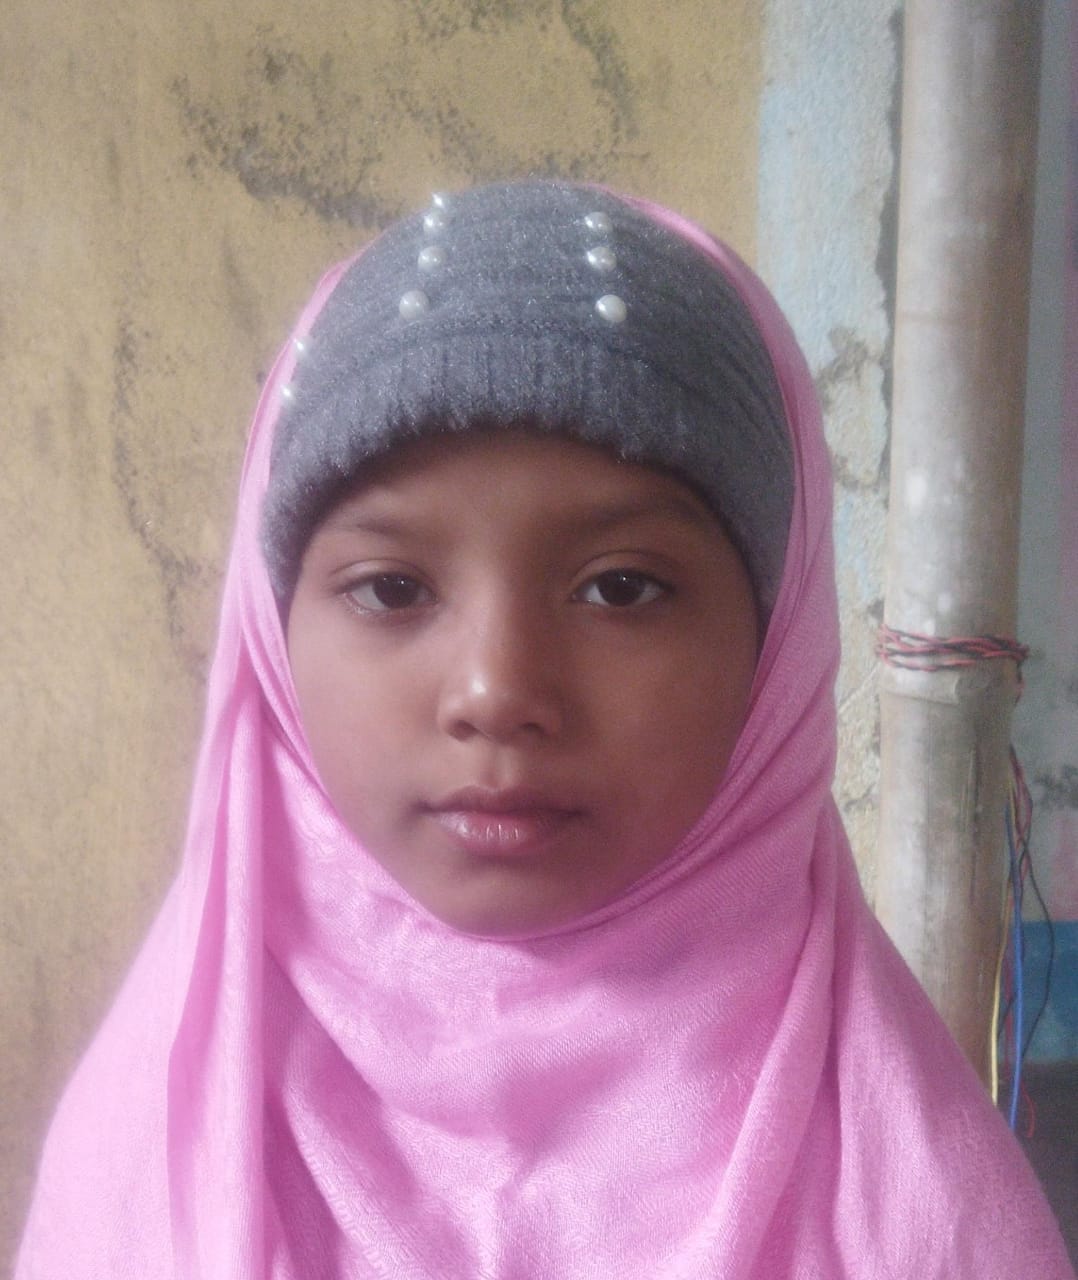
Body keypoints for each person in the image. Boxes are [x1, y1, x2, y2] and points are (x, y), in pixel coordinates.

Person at [16, 181, 1073, 1278]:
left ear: (775, 649)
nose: (496, 688)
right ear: (273, 638)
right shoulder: (150, 1157)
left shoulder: (924, 1219)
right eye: (390, 588)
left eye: (620, 587)